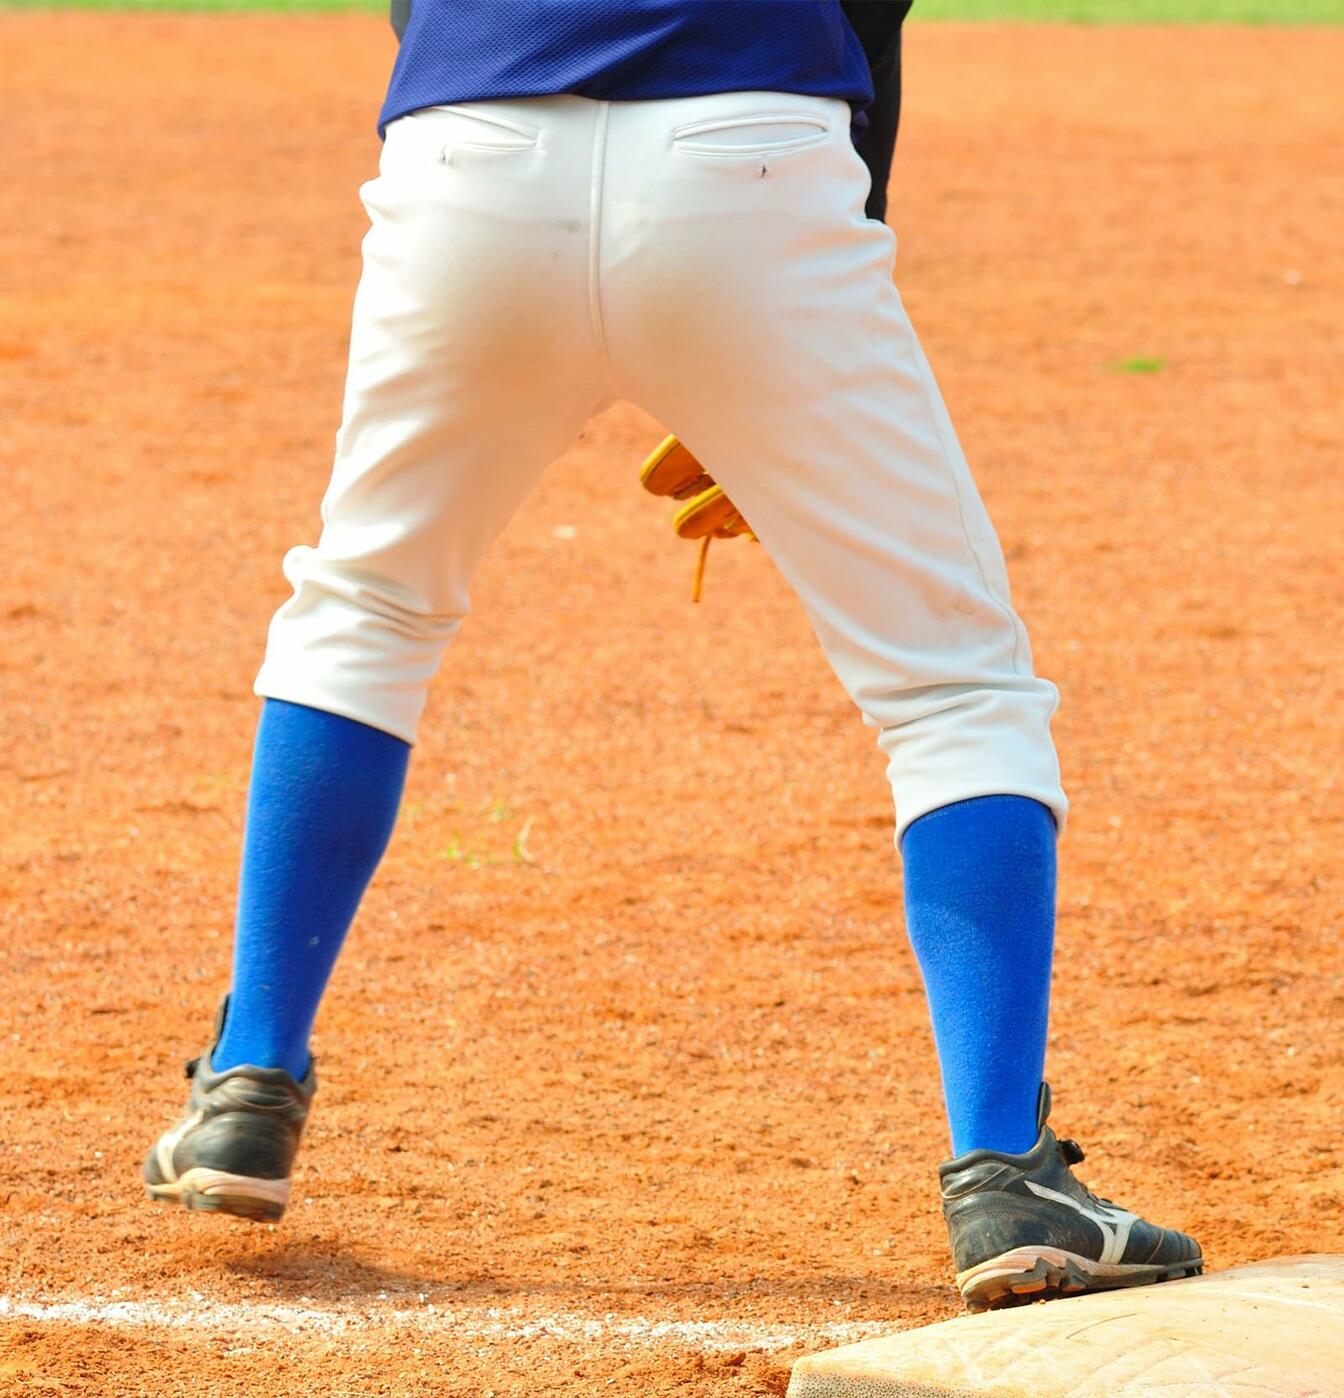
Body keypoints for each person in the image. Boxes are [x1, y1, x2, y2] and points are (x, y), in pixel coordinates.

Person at [143, 1, 1200, 1313]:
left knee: (365, 609)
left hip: (469, 139)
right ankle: (1005, 1172)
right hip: (747, 158)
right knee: (953, 689)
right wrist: (778, 337)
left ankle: (247, 1083)